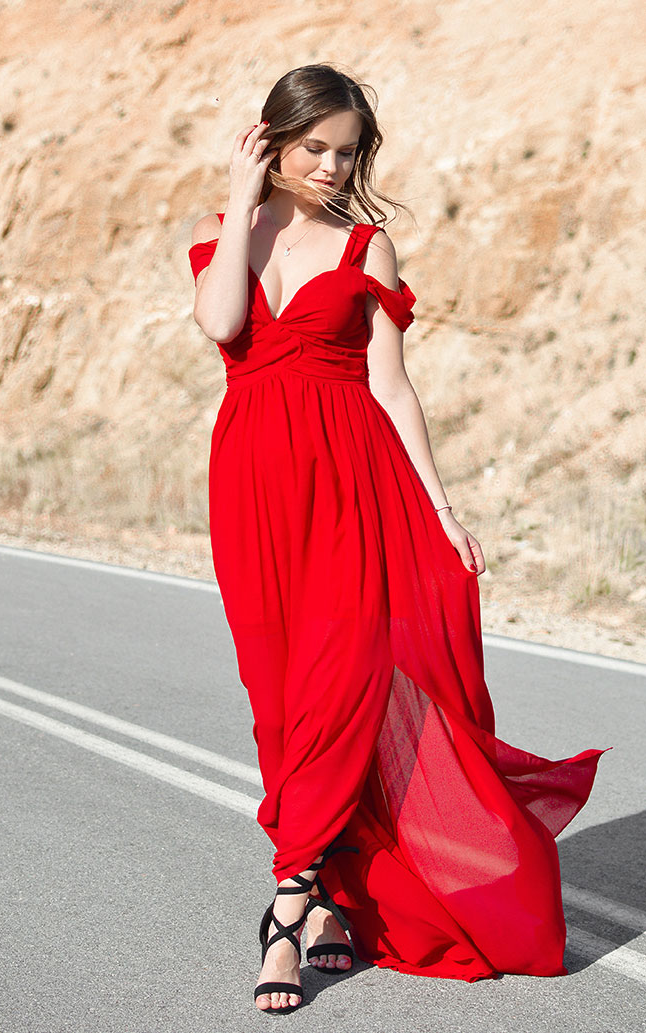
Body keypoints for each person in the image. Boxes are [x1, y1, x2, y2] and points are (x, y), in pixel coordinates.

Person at [188, 63, 609, 1015]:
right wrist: (242, 200)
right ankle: (331, 897)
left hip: (353, 481)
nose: (333, 168)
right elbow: (222, 323)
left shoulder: (366, 245)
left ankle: (286, 905)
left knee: (346, 681)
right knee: (280, 696)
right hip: (253, 488)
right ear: (272, 141)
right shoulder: (227, 238)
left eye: (349, 153)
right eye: (315, 148)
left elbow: (391, 385)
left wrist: (442, 506)